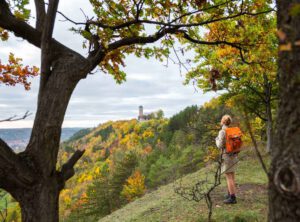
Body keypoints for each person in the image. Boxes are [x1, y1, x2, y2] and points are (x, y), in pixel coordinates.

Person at [216, 114, 238, 204]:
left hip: (226, 155)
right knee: (231, 175)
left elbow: (220, 145)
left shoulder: (222, 131)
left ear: (222, 121)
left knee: (228, 176)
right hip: (233, 155)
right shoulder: (232, 130)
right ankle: (230, 193)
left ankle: (232, 197)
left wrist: (216, 139)